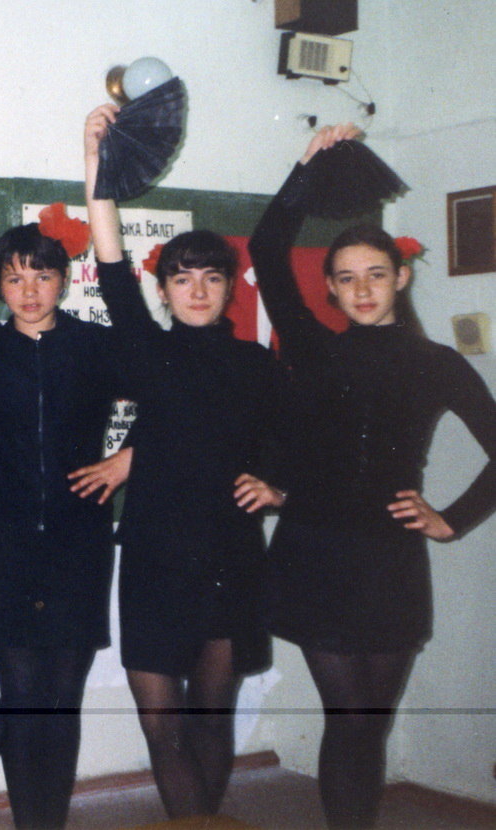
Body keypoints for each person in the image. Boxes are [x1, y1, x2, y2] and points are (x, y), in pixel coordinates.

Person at [248, 124, 496, 828]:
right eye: (347, 278)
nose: (362, 289)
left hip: (390, 558)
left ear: (401, 278)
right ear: (329, 288)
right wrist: (306, 164)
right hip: (314, 553)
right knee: (348, 716)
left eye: (376, 275)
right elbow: (267, 248)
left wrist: (451, 518)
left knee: (370, 722)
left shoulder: (438, 363)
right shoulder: (312, 347)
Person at [84, 104, 287, 820]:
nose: (197, 290)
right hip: (154, 556)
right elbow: (110, 261)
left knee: (210, 717)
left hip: (230, 554)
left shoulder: (257, 364)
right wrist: (95, 160)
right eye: (181, 278)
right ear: (163, 288)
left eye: (210, 278)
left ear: (230, 287)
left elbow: (289, 445)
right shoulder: (147, 350)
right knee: (160, 724)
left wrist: (278, 486)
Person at [0, 216, 132, 827]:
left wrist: (128, 458)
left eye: (42, 276)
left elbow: (174, 394)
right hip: (3, 543)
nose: (29, 291)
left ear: (64, 279)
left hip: (78, 540)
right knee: (20, 696)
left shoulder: (95, 345)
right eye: (14, 279)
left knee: (61, 699)